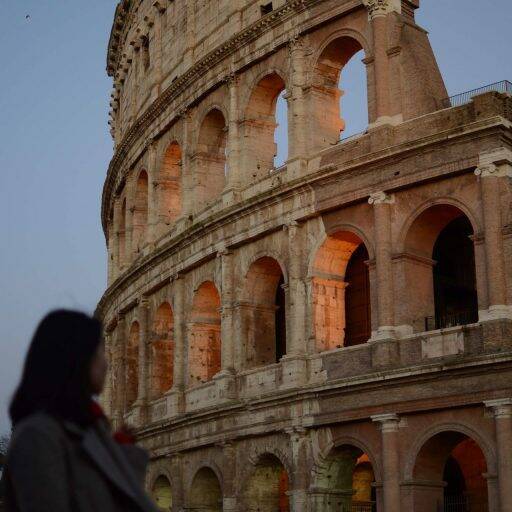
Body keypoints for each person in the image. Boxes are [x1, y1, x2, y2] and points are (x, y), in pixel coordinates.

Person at [3, 309, 158, 512]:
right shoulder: (37, 436)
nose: (106, 363)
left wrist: (119, 454)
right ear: (77, 358)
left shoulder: (86, 428)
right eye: (100, 352)